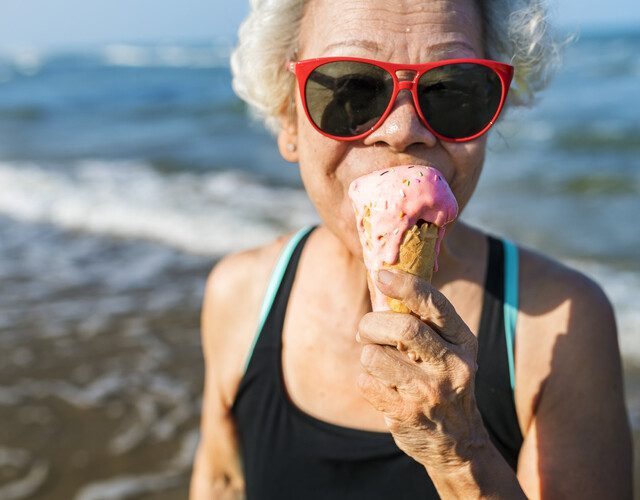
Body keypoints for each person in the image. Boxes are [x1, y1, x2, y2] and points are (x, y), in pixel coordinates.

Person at [190, 0, 633, 498]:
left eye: (452, 90)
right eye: (352, 88)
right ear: (288, 117)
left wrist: (460, 453)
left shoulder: (562, 324)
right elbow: (221, 480)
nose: (403, 130)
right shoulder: (241, 295)